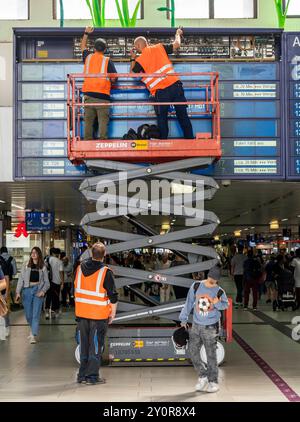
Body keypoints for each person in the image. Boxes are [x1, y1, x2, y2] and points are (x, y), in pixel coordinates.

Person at [130, 28, 194, 140]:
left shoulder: (140, 59)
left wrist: (133, 58)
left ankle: (163, 143)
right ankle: (190, 141)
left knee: (162, 118)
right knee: (183, 116)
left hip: (161, 92)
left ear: (138, 47)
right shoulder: (159, 47)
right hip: (175, 85)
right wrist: (177, 33)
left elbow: (132, 74)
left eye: (136, 48)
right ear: (147, 43)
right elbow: (177, 44)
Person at [179, 265, 228, 393]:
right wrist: (183, 318)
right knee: (193, 352)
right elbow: (189, 303)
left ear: (218, 280)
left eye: (215, 280)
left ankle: (213, 381)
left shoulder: (219, 291)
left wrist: (217, 302)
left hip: (210, 327)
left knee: (211, 355)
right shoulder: (196, 286)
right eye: (211, 278)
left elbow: (225, 305)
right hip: (196, 325)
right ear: (208, 275)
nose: (212, 282)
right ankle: (203, 376)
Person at [74, 242, 118, 385]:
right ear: (104, 255)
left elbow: (74, 290)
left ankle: (82, 376)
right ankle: (92, 377)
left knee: (84, 346)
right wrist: (112, 314)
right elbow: (113, 296)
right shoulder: (106, 272)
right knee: (96, 347)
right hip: (98, 317)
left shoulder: (79, 269)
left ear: (91, 253)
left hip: (81, 315)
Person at [81, 26, 118, 140]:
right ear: (105, 49)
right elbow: (114, 78)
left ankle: (87, 141)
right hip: (102, 96)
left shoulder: (88, 57)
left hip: (88, 96)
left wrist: (86, 33)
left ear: (94, 48)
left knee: (88, 121)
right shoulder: (107, 61)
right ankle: (102, 141)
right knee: (103, 122)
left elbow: (82, 47)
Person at [15, 247, 50, 344]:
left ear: (39, 254)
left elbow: (47, 283)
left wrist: (43, 291)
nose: (33, 254)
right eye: (32, 252)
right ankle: (32, 329)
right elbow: (21, 279)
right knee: (28, 314)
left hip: (38, 291)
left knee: (35, 314)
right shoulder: (26, 265)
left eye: (35, 252)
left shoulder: (43, 266)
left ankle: (33, 335)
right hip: (27, 291)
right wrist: (18, 292)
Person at [0, 247, 17, 337]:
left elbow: (5, 276)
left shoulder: (1, 262)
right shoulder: (12, 258)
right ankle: (6, 327)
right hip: (8, 283)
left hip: (3, 287)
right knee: (6, 305)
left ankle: (6, 326)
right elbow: (14, 272)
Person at [45, 248, 64, 319]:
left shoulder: (46, 260)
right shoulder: (59, 261)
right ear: (55, 253)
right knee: (55, 297)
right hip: (56, 282)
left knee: (48, 297)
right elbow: (61, 272)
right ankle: (53, 313)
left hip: (47, 282)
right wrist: (62, 282)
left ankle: (47, 312)